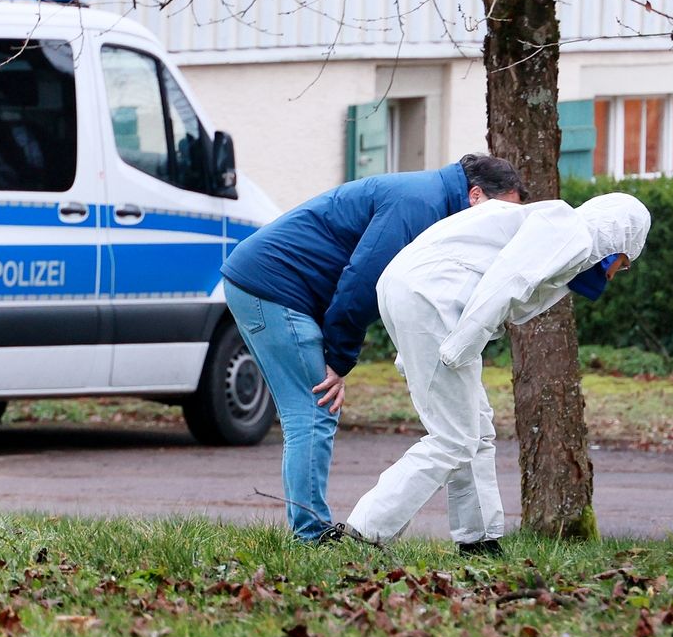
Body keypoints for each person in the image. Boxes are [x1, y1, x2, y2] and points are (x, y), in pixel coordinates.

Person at [220, 153, 524, 541]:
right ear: (476, 196)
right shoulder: (418, 203)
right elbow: (364, 281)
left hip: (272, 285)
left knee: (314, 411)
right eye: (505, 214)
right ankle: (310, 537)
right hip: (271, 287)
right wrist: (339, 358)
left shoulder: (430, 199)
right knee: (313, 410)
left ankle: (310, 531)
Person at [329, 192, 652, 554]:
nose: (616, 274)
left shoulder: (554, 226)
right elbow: (508, 280)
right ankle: (363, 533)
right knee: (453, 439)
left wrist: (435, 348)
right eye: (623, 264)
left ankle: (479, 538)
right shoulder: (571, 233)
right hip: (436, 299)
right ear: (620, 241)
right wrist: (462, 344)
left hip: (420, 291)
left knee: (477, 427)